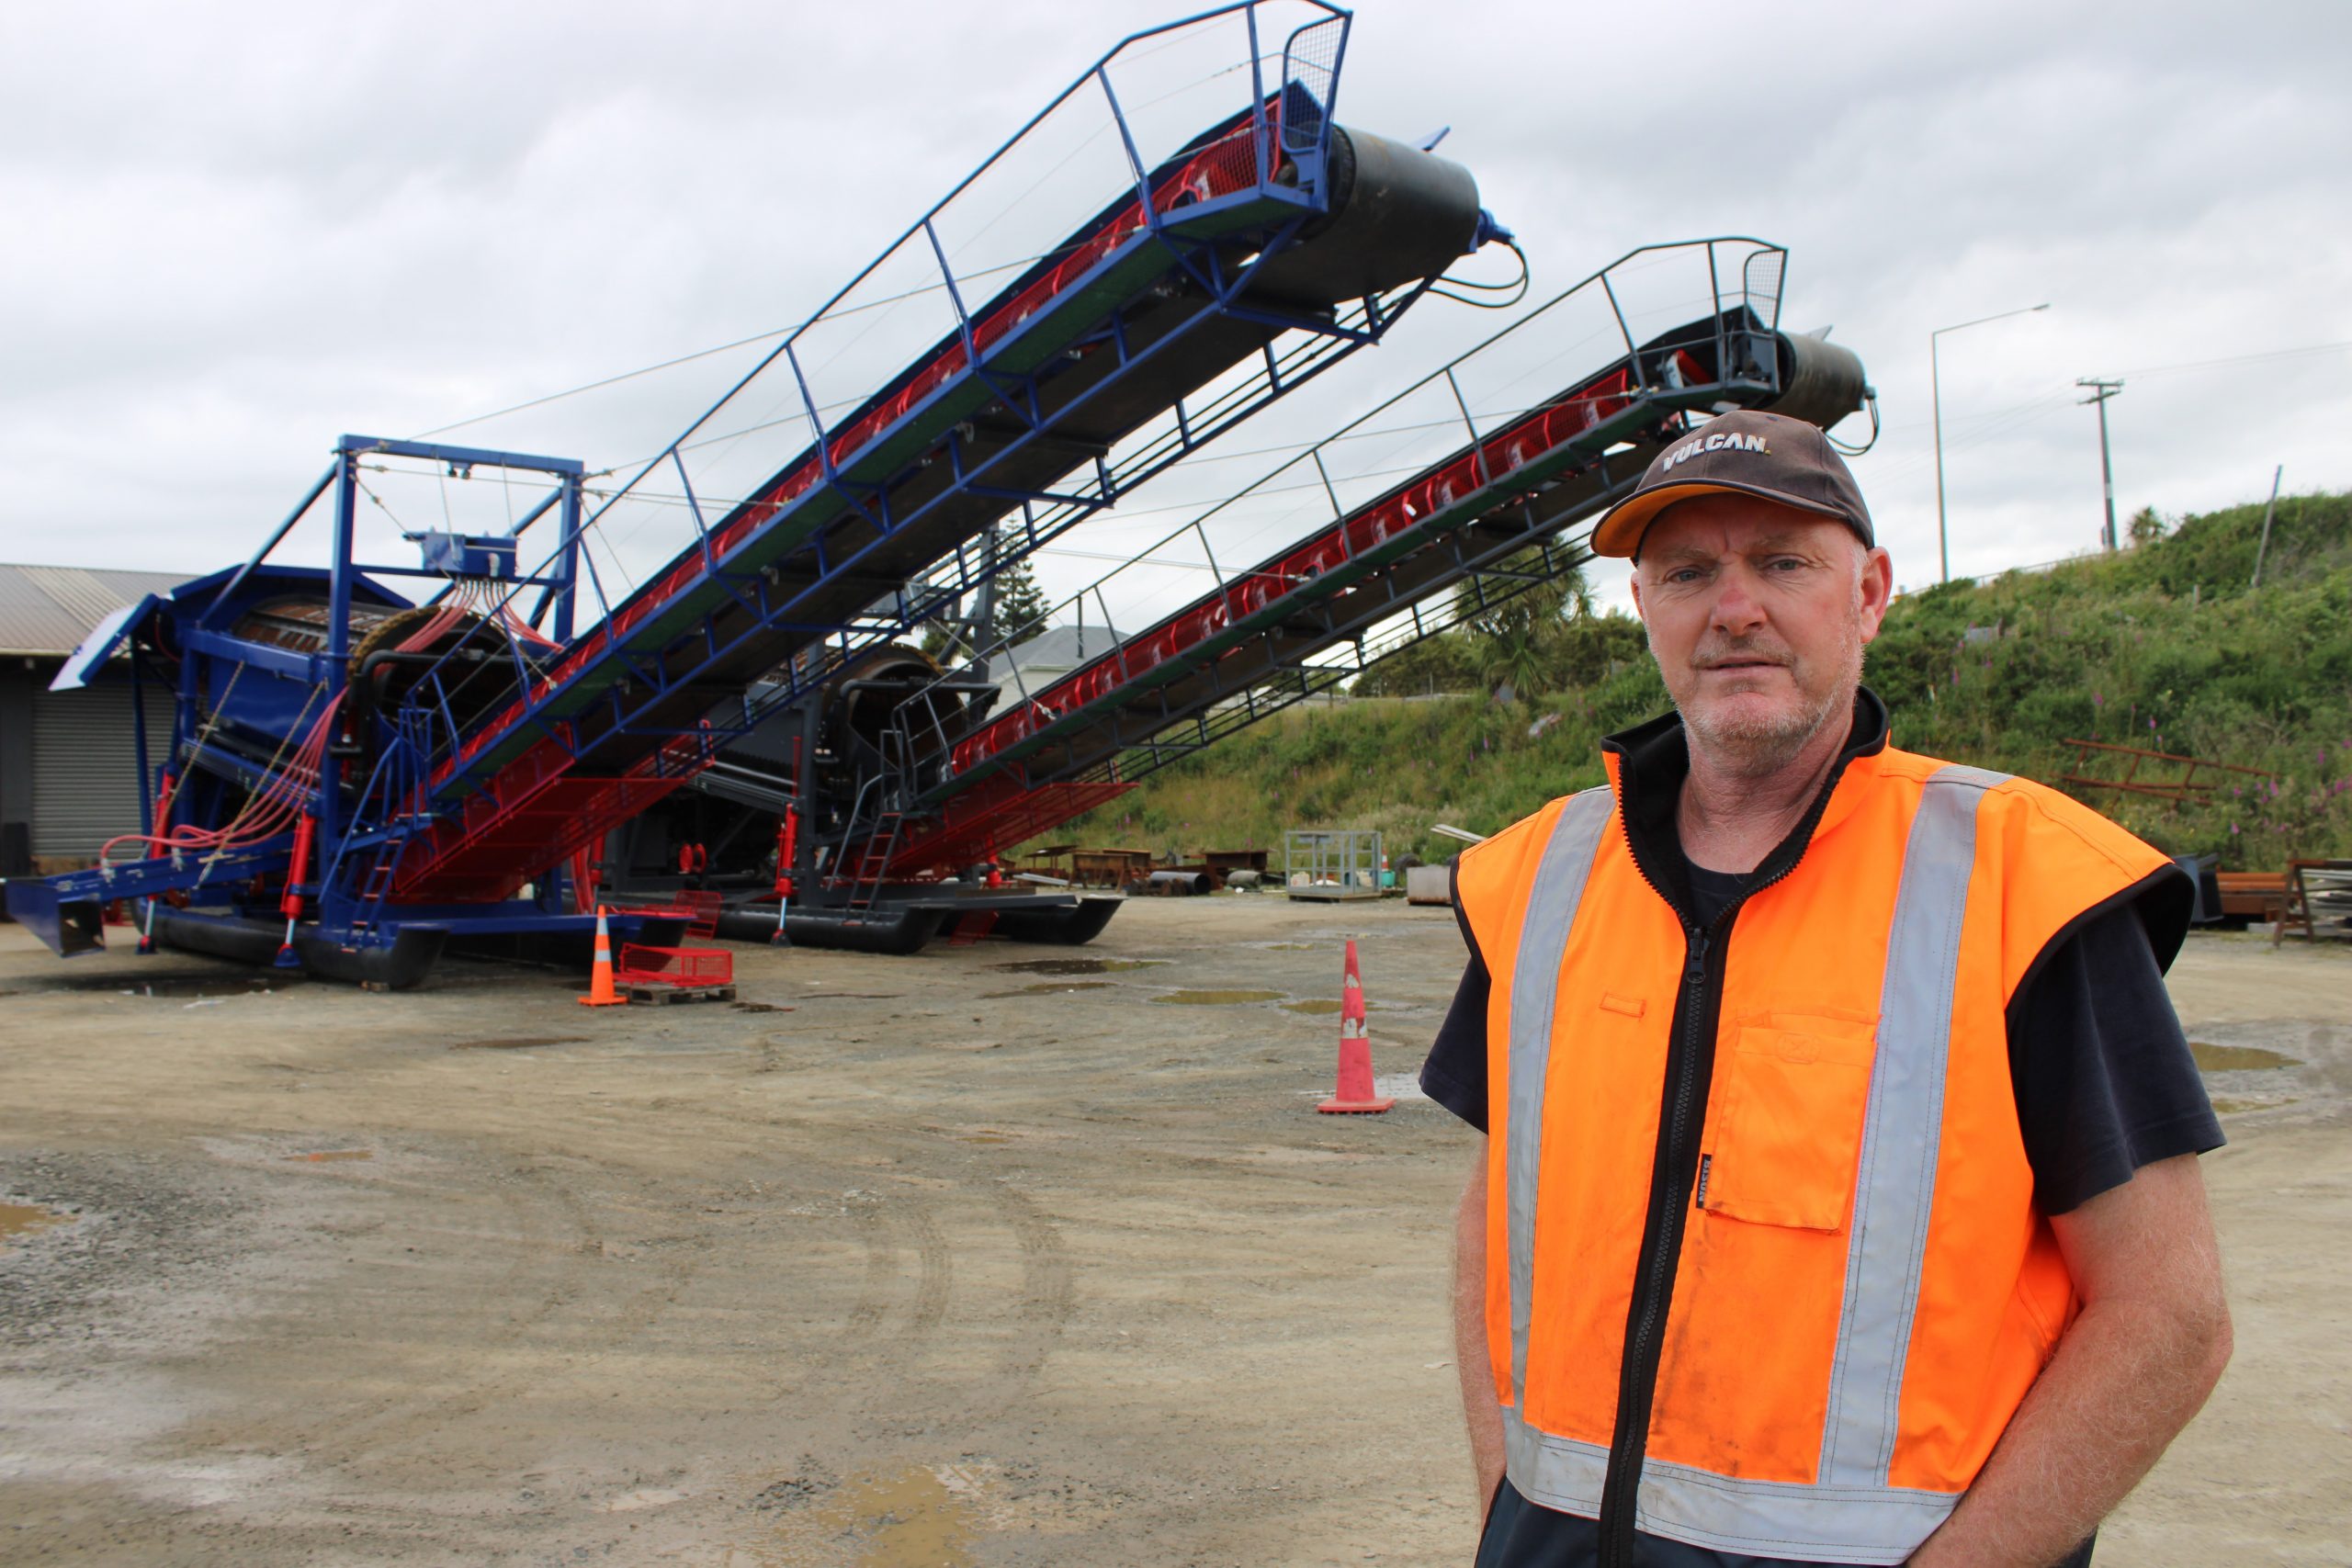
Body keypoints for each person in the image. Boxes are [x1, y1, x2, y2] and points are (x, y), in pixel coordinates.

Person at [1418, 409, 2232, 1568]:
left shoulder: (2024, 884)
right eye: (1686, 572)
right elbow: (1494, 1216)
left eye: (1782, 563)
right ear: (1642, 605)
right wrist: (1507, 1501)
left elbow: (2167, 1317)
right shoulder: (1540, 877)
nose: (1733, 609)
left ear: (1869, 594)